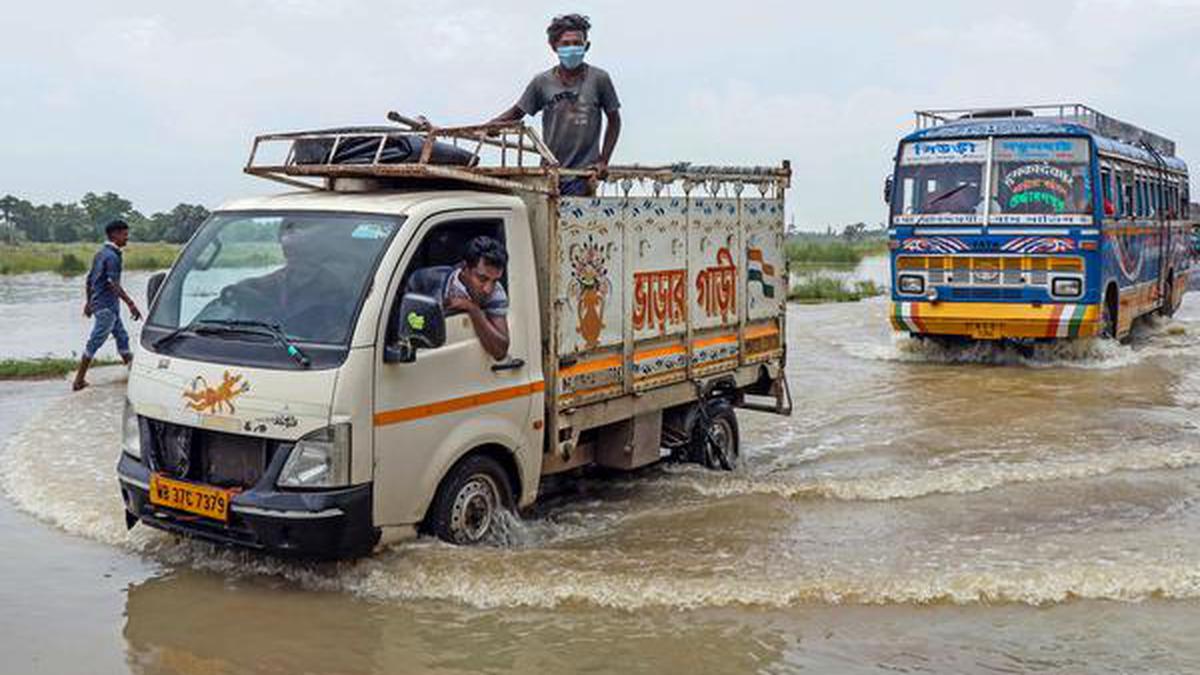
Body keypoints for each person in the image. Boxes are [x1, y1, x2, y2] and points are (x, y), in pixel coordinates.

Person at [489, 13, 621, 196]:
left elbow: (614, 120)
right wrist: (489, 126)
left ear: (586, 46)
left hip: (582, 175)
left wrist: (603, 160)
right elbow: (517, 112)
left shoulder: (599, 79)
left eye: (577, 43)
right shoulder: (542, 82)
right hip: (551, 173)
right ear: (554, 47)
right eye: (565, 44)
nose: (572, 48)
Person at [404, 236, 510, 360]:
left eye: (495, 281)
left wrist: (473, 309)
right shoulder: (425, 279)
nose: (488, 289)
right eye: (482, 279)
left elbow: (500, 351)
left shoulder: (496, 292)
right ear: (464, 268)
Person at [72, 219, 142, 391]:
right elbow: (113, 284)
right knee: (95, 341)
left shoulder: (101, 253)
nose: (127, 238)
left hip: (105, 306)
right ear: (114, 235)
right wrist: (131, 304)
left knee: (122, 338)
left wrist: (89, 302)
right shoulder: (112, 257)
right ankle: (78, 380)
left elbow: (90, 280)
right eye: (124, 234)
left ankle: (134, 377)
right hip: (107, 308)